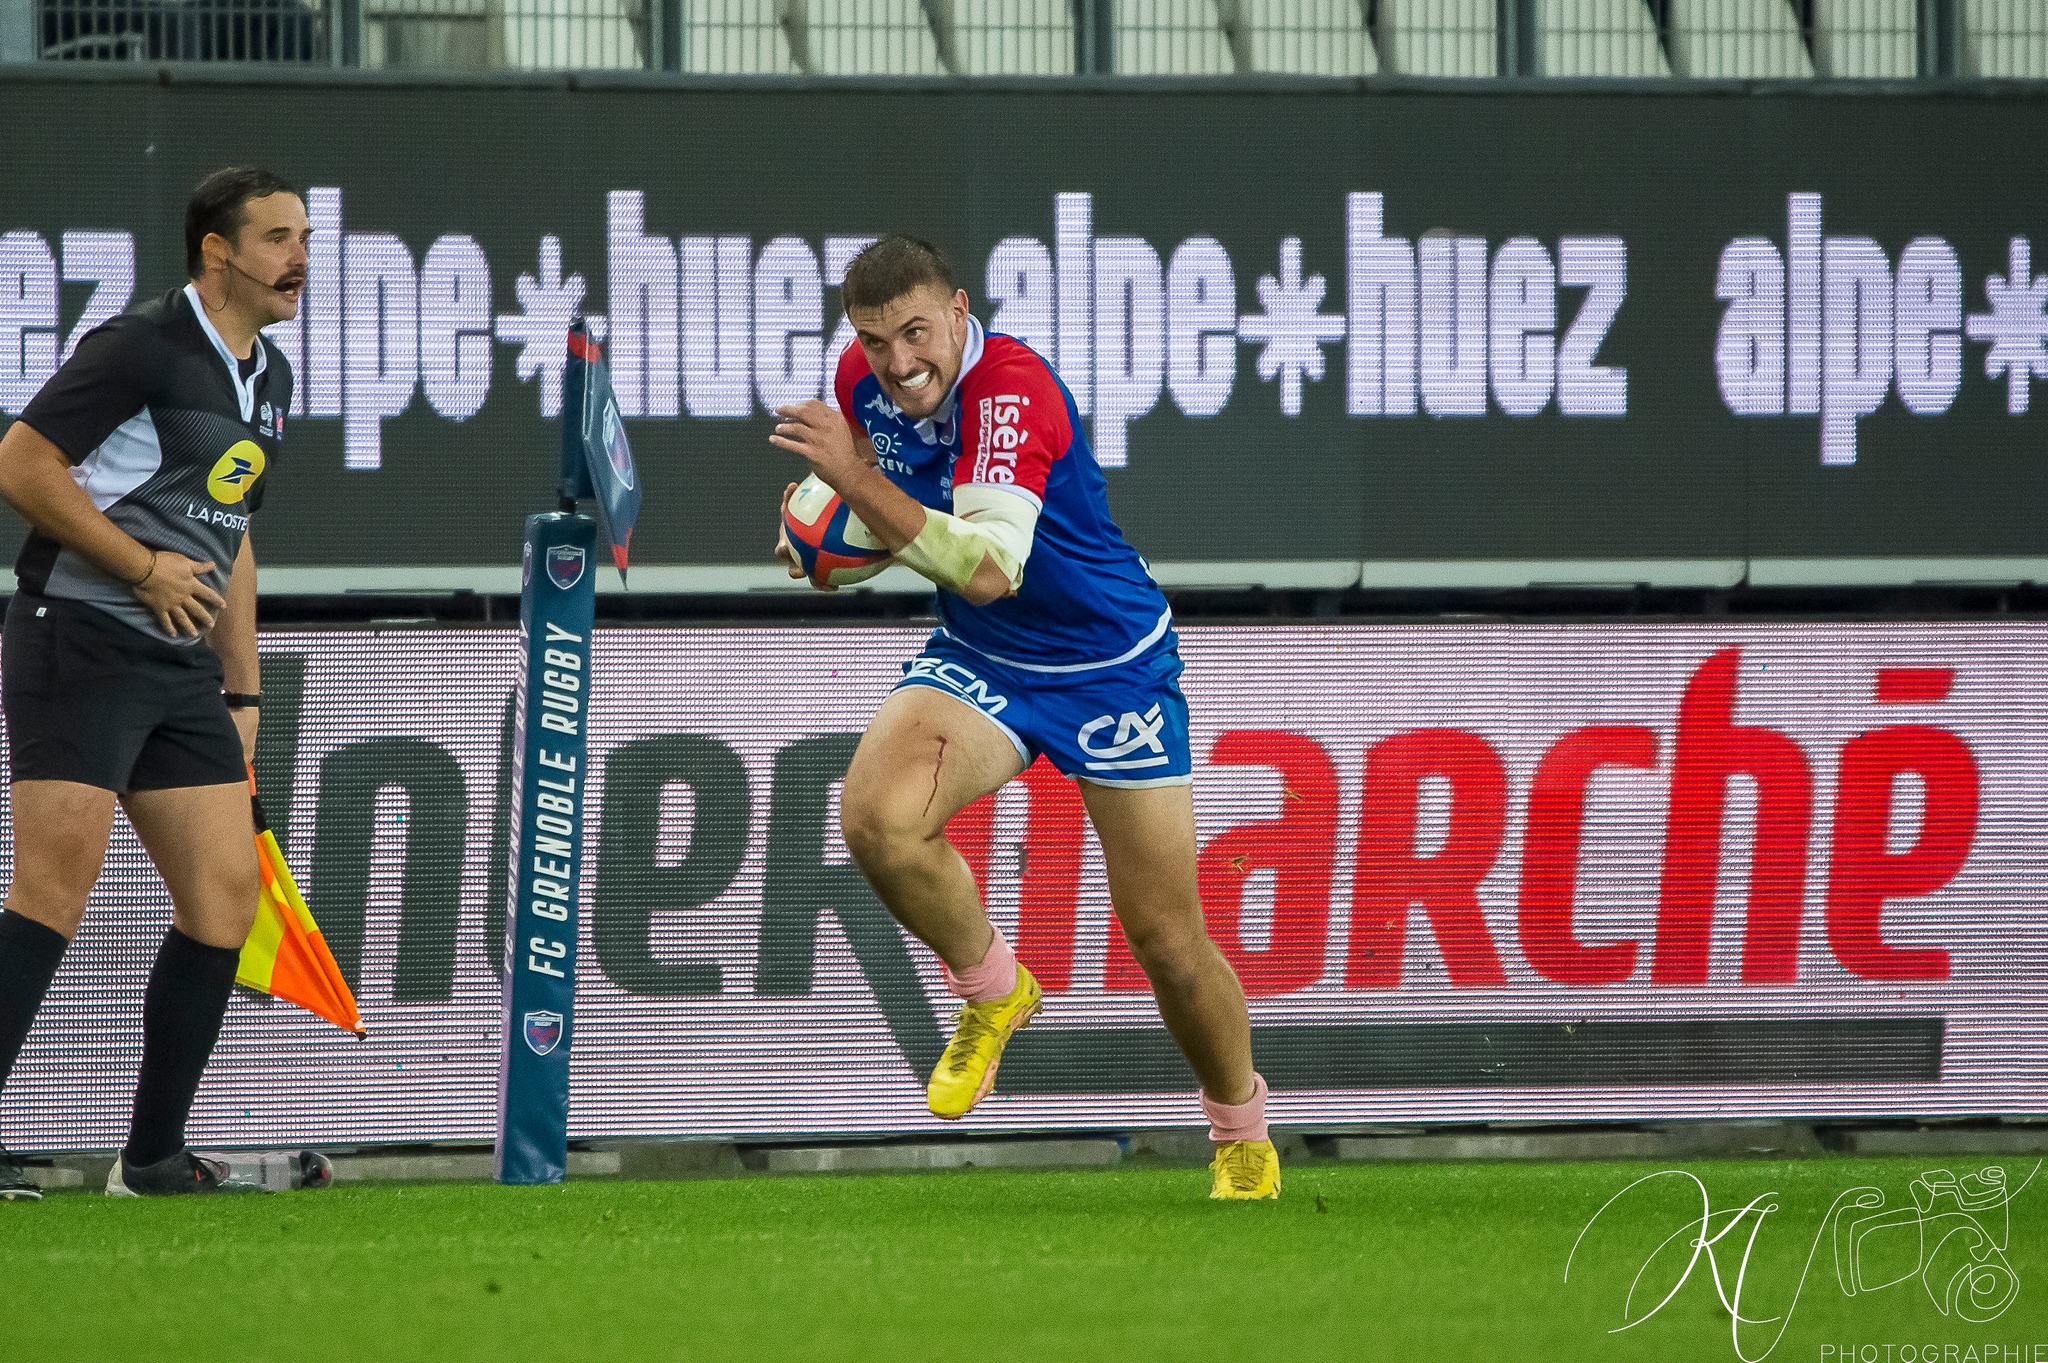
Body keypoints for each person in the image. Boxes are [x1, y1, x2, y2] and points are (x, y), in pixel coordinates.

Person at [770, 236, 1279, 1200]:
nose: (897, 361)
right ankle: (995, 989)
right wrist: (824, 538)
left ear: (960, 311)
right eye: (875, 341)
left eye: (916, 332)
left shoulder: (1013, 390)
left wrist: (851, 484)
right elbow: (887, 519)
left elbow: (992, 567)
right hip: (983, 655)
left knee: (1167, 941)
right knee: (875, 819)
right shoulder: (862, 382)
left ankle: (1241, 1127)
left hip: (1109, 668)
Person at [0, 167, 305, 1198]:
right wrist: (135, 565)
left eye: (302, 236)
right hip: (77, 636)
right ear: (216, 254)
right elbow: (21, 462)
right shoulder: (139, 345)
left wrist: (244, 688)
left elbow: (232, 533)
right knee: (53, 888)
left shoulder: (270, 376)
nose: (298, 257)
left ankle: (153, 1159)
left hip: (179, 667)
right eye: (275, 238)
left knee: (224, 896)